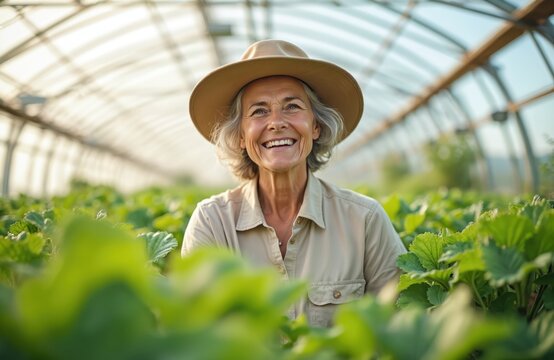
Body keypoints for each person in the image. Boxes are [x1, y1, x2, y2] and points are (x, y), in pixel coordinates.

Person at [182, 39, 406, 327]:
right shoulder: (212, 222)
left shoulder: (364, 219)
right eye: (259, 111)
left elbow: (399, 327)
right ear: (240, 135)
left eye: (292, 106)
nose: (276, 122)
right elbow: (198, 335)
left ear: (316, 126)